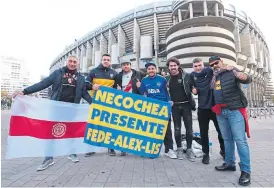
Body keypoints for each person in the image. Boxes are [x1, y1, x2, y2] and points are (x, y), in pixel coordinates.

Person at [12, 55, 92, 171]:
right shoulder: (57, 74)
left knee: (71, 131)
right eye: (70, 61)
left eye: (75, 62)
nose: (72, 63)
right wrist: (24, 91)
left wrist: (94, 105)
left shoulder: (80, 78)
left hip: (71, 109)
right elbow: (43, 84)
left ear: (78, 64)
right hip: (56, 108)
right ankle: (48, 158)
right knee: (51, 133)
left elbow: (84, 93)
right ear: (66, 62)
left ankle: (72, 153)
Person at [209, 55, 252, 186]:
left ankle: (246, 171)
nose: (214, 66)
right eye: (211, 65)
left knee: (240, 140)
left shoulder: (231, 70)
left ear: (221, 61)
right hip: (221, 112)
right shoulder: (214, 77)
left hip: (234, 110)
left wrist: (241, 74)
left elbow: (246, 79)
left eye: (216, 63)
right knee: (226, 139)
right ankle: (229, 163)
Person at [136, 62, 176, 159]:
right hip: (152, 108)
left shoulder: (162, 79)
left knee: (166, 129)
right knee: (152, 130)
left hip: (163, 107)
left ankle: (168, 150)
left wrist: (169, 100)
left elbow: (167, 91)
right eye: (149, 69)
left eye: (153, 68)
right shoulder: (144, 80)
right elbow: (142, 93)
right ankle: (151, 150)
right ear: (147, 71)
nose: (151, 70)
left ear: (156, 69)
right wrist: (139, 86)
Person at [85, 53, 122, 157]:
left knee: (109, 125)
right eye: (104, 59)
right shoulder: (93, 72)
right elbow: (86, 85)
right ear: (101, 60)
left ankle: (111, 147)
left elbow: (117, 88)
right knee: (93, 125)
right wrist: (92, 86)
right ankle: (90, 148)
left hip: (109, 104)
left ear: (110, 62)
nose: (106, 61)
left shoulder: (114, 73)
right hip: (96, 103)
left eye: (108, 60)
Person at [191, 58, 225, 164]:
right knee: (203, 133)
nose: (198, 68)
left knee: (221, 131)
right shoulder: (192, 76)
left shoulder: (209, 71)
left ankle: (224, 151)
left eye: (199, 65)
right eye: (195, 66)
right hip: (202, 109)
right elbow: (193, 88)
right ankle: (206, 154)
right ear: (193, 67)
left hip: (214, 107)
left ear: (203, 65)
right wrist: (194, 90)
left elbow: (218, 67)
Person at [165, 57, 196, 162]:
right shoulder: (167, 79)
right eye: (171, 66)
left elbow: (193, 87)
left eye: (174, 65)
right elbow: (164, 93)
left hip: (186, 105)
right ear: (168, 67)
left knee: (189, 129)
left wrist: (194, 90)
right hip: (175, 107)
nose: (173, 67)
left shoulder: (186, 76)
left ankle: (189, 149)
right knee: (177, 129)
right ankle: (179, 148)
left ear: (178, 66)